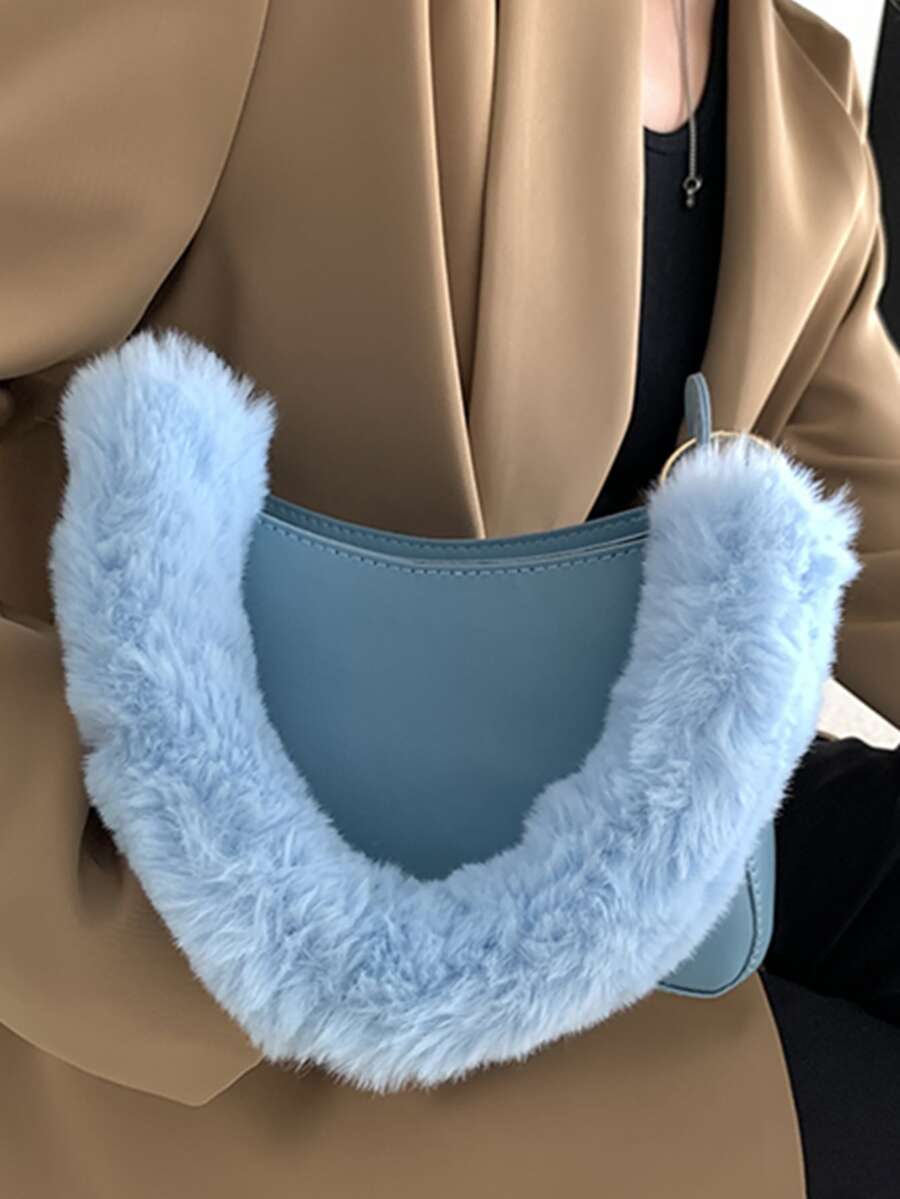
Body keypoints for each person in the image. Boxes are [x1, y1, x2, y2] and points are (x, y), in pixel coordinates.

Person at [1, 2, 898, 1196]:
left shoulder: (799, 91)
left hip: (610, 826)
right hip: (237, 961)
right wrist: (95, 871)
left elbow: (871, 499)